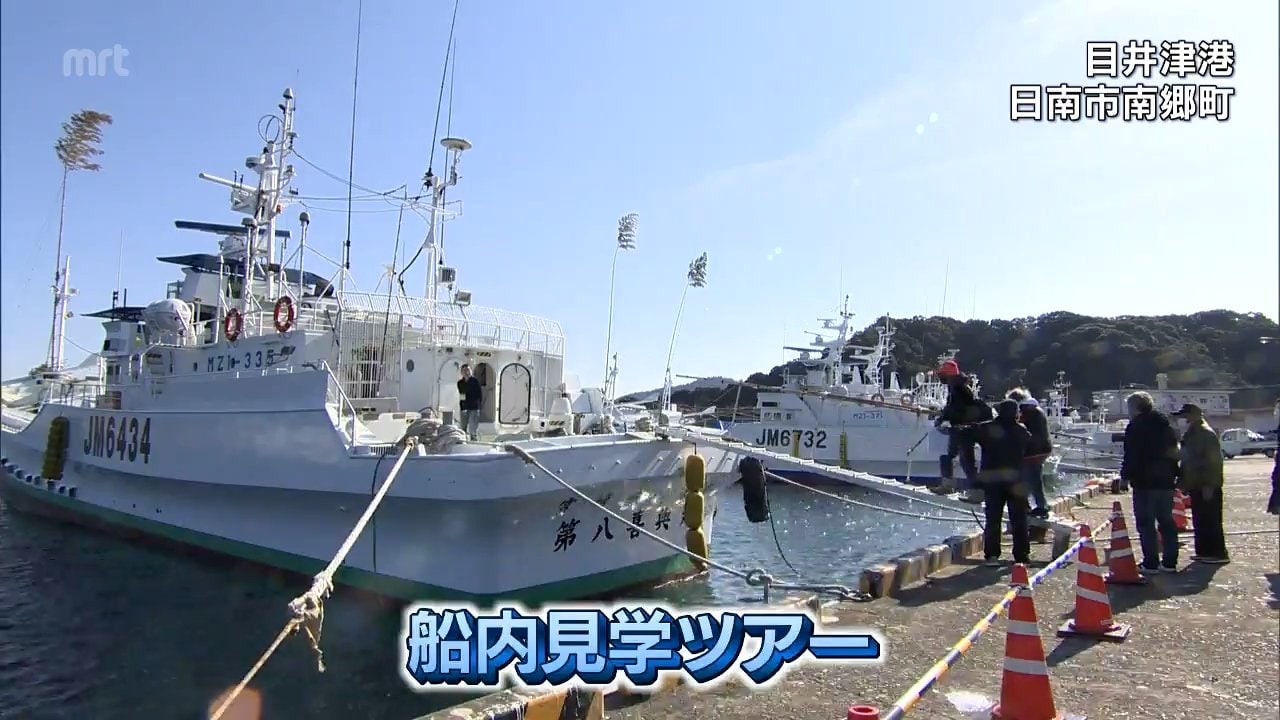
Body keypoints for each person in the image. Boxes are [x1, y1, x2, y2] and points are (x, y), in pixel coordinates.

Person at [1119, 391, 1181, 573]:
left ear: (1136, 407)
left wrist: (1125, 477)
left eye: (1129, 407)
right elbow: (1174, 451)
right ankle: (1170, 562)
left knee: (1146, 523)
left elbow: (1132, 455)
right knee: (1167, 521)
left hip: (1145, 481)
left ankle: (1151, 562)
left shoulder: (1136, 426)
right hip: (1166, 480)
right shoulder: (1164, 424)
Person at [973, 399, 1034, 567]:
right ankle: (1021, 556)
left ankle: (992, 555)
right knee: (1019, 519)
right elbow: (1029, 448)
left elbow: (972, 434)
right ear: (1015, 413)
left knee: (993, 519)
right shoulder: (1022, 433)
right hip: (1016, 481)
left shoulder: (986, 429)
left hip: (992, 481)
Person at [1171, 403, 1229, 564]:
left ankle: (1217, 553)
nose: (1185, 419)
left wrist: (1210, 484)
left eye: (1186, 415)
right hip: (1197, 483)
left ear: (1195, 415)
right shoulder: (1194, 432)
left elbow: (1214, 462)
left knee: (1211, 520)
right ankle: (1204, 551)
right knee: (1201, 519)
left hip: (1206, 484)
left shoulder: (1204, 433)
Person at [932, 359, 990, 503]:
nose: (941, 378)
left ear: (948, 375)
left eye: (942, 375)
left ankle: (975, 492)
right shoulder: (959, 386)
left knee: (966, 462)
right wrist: (944, 415)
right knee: (949, 456)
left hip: (964, 430)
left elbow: (955, 409)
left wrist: (942, 418)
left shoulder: (957, 388)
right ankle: (948, 484)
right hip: (962, 428)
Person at [1007, 388, 1053, 519]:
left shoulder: (1025, 411)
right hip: (1043, 448)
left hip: (1033, 451)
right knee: (1033, 478)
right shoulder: (1035, 409)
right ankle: (1038, 505)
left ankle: (1039, 506)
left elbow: (1019, 429)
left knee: (1029, 479)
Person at [456, 364, 483, 440]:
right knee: (463, 426)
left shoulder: (475, 381)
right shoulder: (460, 383)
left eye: (468, 370)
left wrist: (478, 406)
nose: (466, 372)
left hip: (474, 407)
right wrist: (463, 407)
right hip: (464, 407)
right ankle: (463, 440)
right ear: (462, 372)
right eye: (464, 370)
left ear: (471, 371)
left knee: (472, 426)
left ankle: (473, 439)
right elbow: (462, 394)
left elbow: (479, 394)